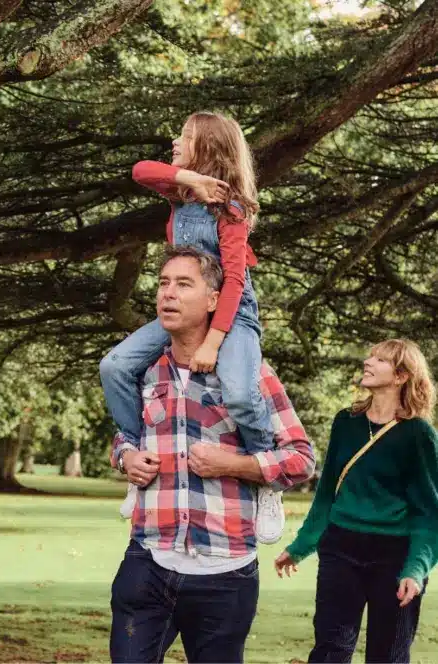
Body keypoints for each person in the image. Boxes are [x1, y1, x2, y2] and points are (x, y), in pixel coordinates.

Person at [110, 245, 315, 664]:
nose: (168, 293)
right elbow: (125, 437)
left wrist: (236, 465)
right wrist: (126, 457)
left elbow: (300, 458)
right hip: (148, 561)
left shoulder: (251, 374)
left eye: (184, 284)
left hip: (227, 573)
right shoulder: (144, 372)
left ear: (213, 301)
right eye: (163, 283)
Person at [99, 111, 284, 543]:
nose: (174, 142)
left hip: (233, 314)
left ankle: (267, 478)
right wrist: (191, 179)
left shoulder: (232, 208)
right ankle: (135, 453)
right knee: (114, 366)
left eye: (184, 137)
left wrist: (214, 341)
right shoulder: (180, 195)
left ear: (209, 147)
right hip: (187, 306)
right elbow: (140, 171)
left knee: (239, 392)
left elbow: (235, 280)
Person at [275, 339, 438, 663]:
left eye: (380, 360)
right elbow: (326, 497)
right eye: (370, 356)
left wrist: (415, 570)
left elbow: (428, 514)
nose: (368, 361)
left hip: (393, 553)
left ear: (401, 376)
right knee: (329, 650)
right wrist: (300, 547)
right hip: (341, 547)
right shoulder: (346, 421)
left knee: (388, 655)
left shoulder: (418, 434)